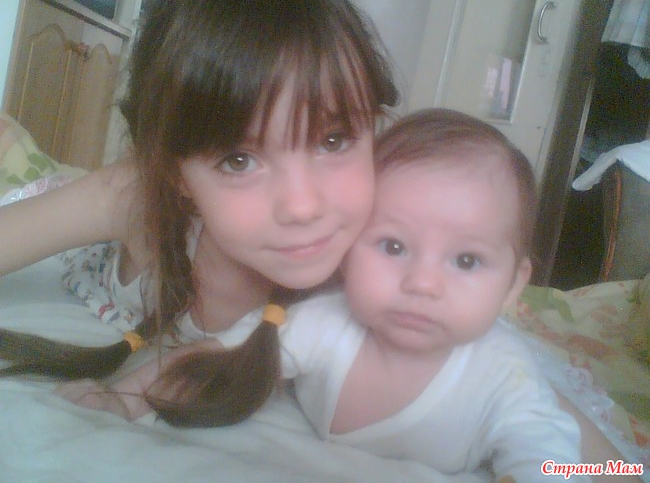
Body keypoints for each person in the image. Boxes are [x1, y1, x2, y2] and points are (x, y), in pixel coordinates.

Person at [56, 109, 589, 482]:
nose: (423, 284)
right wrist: (123, 397)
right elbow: (216, 359)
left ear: (513, 284)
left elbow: (548, 458)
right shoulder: (325, 324)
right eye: (393, 246)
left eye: (467, 261)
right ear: (349, 249)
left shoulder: (506, 379)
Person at [0, 0, 397, 426]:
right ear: (178, 176)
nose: (303, 206)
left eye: (333, 140)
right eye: (239, 160)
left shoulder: (380, 260)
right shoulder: (136, 200)